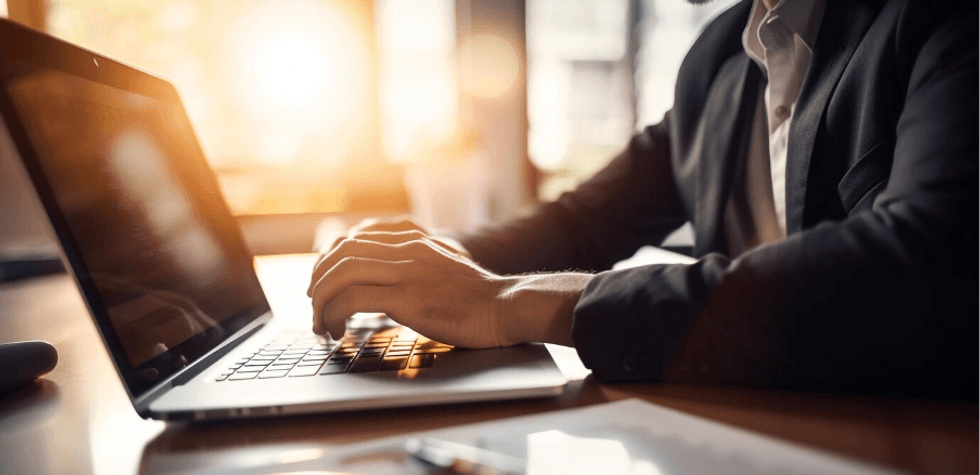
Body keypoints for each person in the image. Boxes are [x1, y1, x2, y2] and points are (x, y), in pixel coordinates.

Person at [308, 0, 978, 397]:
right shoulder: (720, 56)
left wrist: (513, 303)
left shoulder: (939, 23)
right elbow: (583, 222)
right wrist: (417, 264)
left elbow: (920, 265)